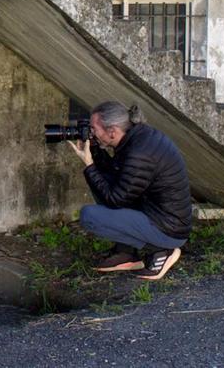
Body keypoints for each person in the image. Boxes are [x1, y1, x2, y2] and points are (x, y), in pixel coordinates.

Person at [69, 100, 192, 280]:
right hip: (155, 211)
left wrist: (89, 166)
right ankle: (126, 253)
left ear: (112, 131)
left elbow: (116, 199)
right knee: (101, 180)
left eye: (94, 129)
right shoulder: (137, 137)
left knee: (89, 216)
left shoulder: (139, 153)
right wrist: (94, 150)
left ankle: (161, 251)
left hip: (168, 229)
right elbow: (119, 179)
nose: (92, 134)